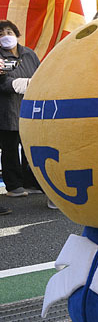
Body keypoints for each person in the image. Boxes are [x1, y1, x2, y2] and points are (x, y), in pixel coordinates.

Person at [0, 20, 41, 206]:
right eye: (1, 34)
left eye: (9, 31)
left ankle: (31, 181)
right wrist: (16, 84)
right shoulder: (1, 57)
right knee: (9, 148)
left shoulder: (29, 54)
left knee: (29, 147)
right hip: (7, 108)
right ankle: (14, 185)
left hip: (29, 108)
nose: (6, 36)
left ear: (16, 34)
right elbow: (3, 80)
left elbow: (40, 73)